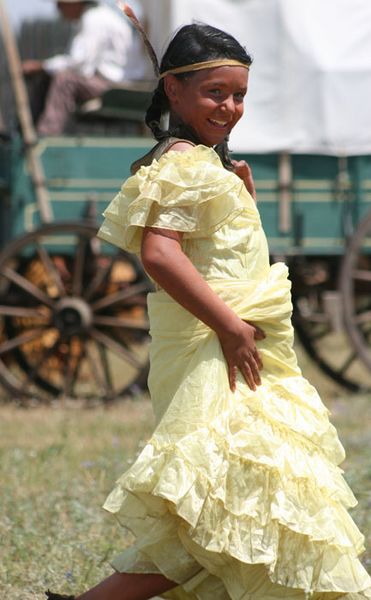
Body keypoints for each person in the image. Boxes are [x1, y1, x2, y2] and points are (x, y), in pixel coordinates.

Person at [46, 19, 371, 600]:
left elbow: (220, 251)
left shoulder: (205, 165)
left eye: (239, 94)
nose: (229, 106)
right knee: (227, 500)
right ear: (174, 91)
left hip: (240, 346)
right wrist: (229, 328)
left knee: (235, 502)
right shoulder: (182, 164)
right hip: (218, 351)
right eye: (214, 92)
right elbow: (160, 254)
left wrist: (240, 195)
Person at [22, 0, 147, 135]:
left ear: (75, 4)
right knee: (52, 77)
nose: (58, 8)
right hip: (115, 81)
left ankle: (46, 135)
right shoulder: (98, 16)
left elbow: (79, 64)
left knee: (65, 81)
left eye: (61, 4)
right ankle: (31, 130)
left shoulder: (94, 19)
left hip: (118, 86)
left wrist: (42, 66)